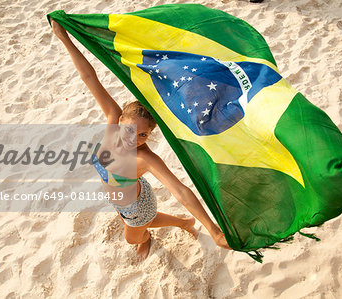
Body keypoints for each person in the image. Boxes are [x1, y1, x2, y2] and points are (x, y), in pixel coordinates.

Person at [51, 20, 231, 260]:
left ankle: (166, 229)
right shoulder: (112, 120)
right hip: (124, 196)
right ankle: (184, 223)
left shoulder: (145, 158)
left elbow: (181, 191)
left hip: (135, 208)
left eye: (142, 135)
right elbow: (89, 78)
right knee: (147, 219)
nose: (132, 139)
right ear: (120, 120)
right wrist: (64, 38)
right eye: (129, 130)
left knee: (133, 237)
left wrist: (213, 229)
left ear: (149, 135)